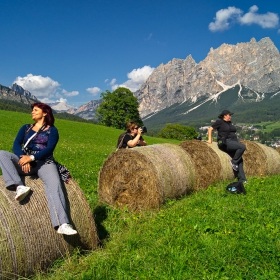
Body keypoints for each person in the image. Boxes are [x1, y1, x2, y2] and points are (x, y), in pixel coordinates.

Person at [0, 102, 78, 235]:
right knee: (2, 154)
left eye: (36, 110)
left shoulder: (52, 130)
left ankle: (63, 223)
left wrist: (31, 158)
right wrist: (22, 158)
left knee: (55, 185)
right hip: (25, 162)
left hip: (44, 163)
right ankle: (19, 186)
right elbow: (16, 145)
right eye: (32, 110)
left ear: (45, 113)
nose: (32, 112)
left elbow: (49, 149)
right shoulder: (25, 128)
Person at [207, 109, 247, 183]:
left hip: (232, 142)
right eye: (229, 115)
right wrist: (210, 139)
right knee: (242, 147)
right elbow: (210, 129)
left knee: (240, 160)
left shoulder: (229, 123)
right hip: (224, 142)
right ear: (225, 116)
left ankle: (243, 180)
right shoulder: (219, 122)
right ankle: (234, 162)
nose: (230, 116)